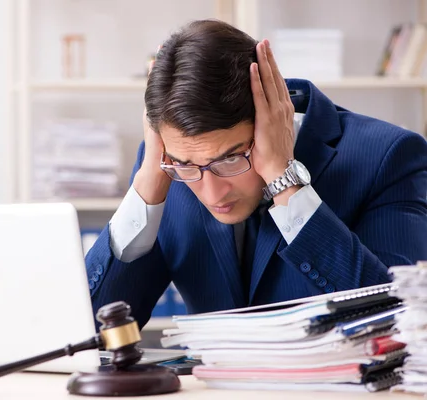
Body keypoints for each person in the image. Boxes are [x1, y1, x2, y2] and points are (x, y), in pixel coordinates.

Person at [84, 19, 427, 329]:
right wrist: (149, 182)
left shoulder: (390, 156)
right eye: (185, 164)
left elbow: (400, 323)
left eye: (231, 159)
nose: (213, 193)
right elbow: (91, 333)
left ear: (270, 120)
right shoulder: (167, 165)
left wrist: (283, 178)